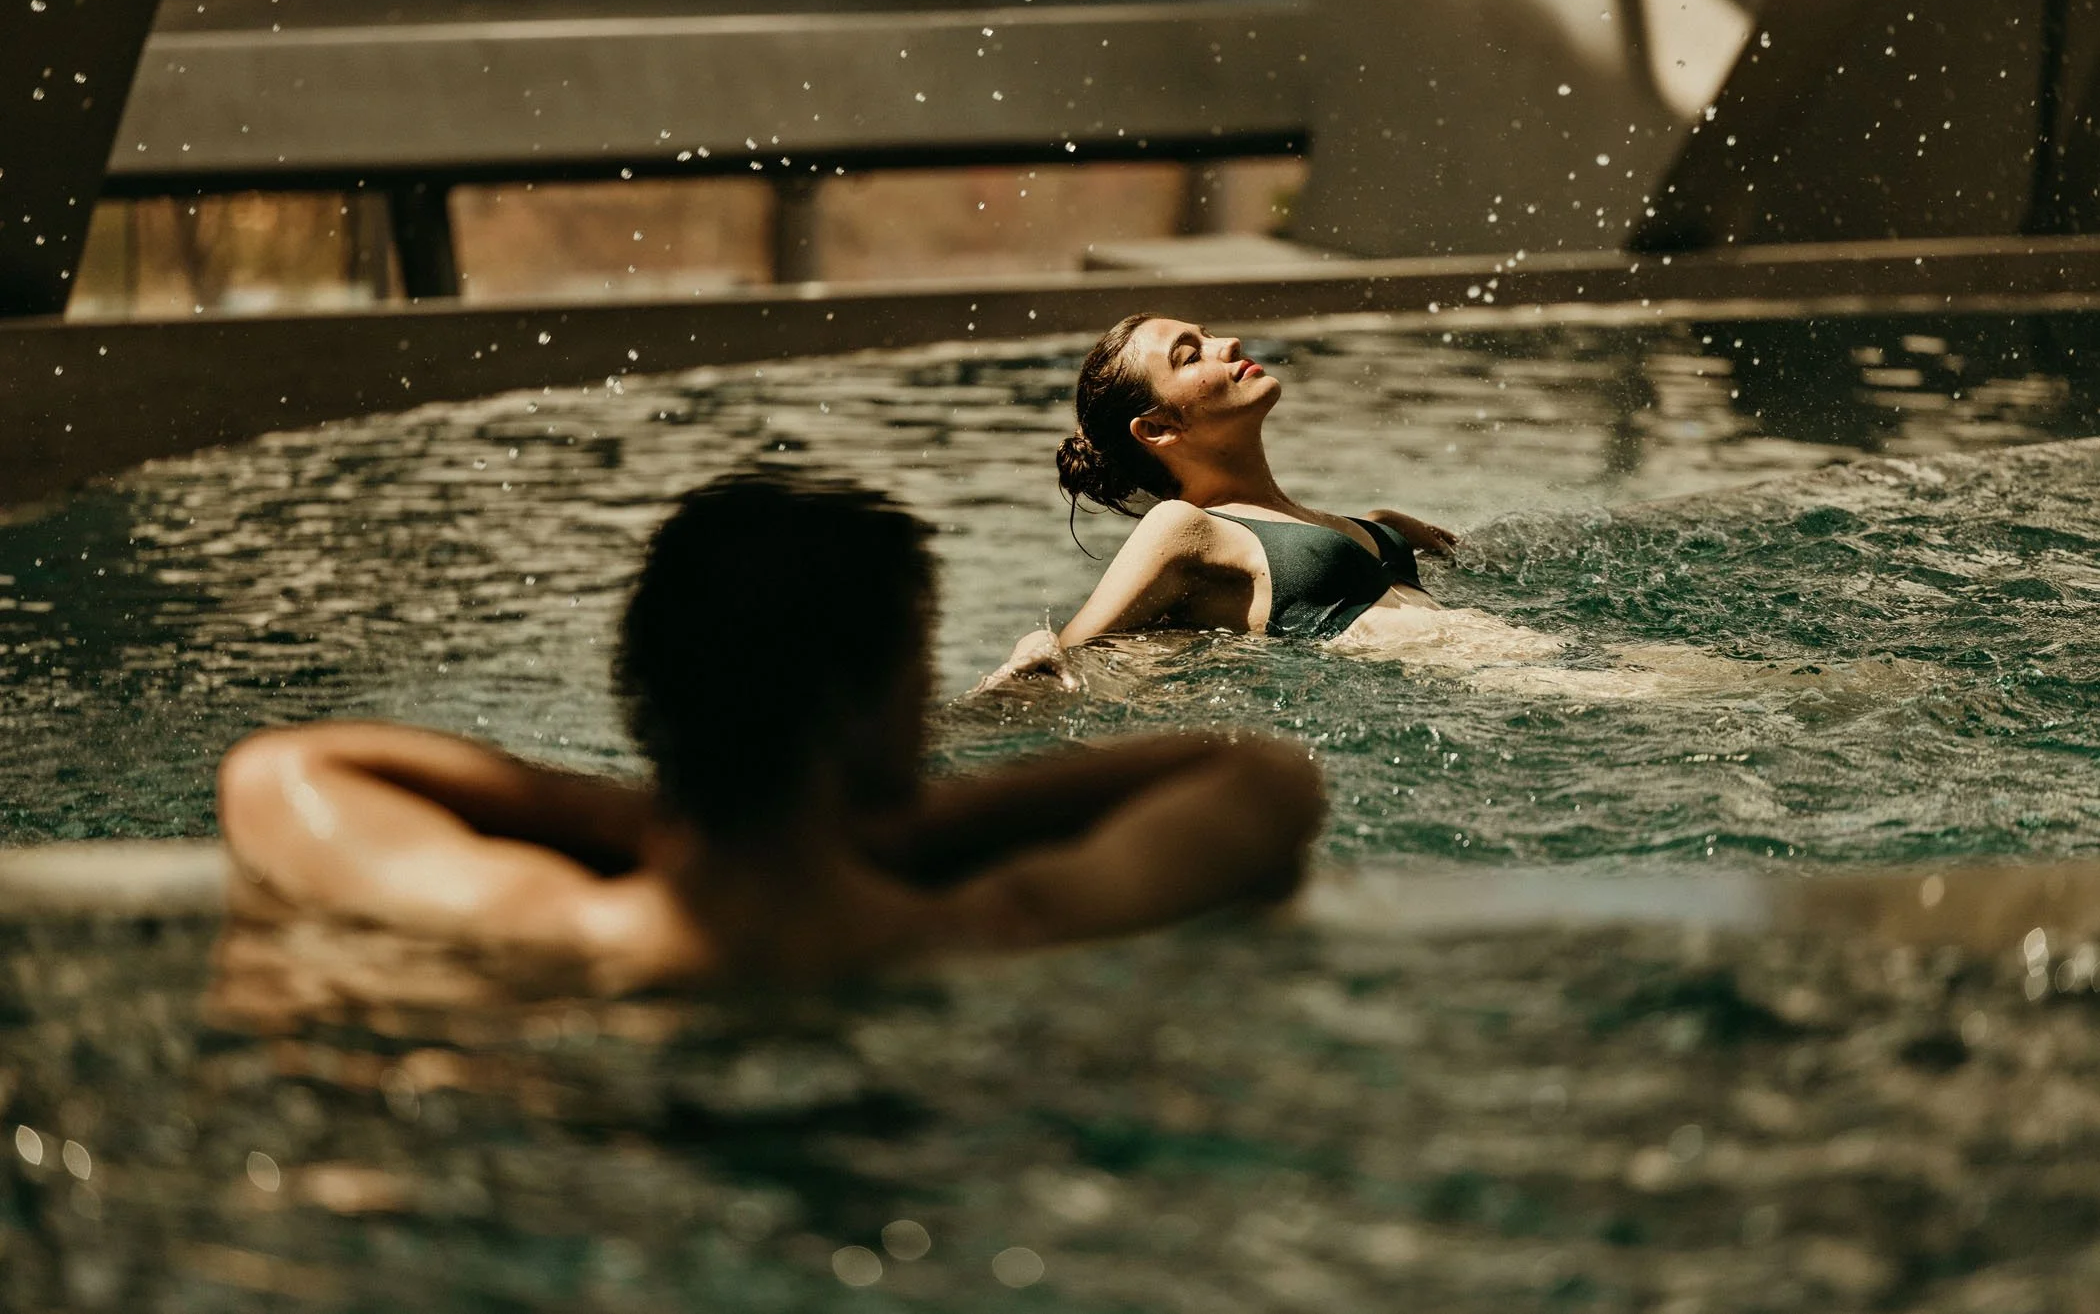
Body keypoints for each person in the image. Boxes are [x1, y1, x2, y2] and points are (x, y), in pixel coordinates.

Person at [215, 471, 1324, 995]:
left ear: (645, 687)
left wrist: (654, 817)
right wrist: (899, 826)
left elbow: (282, 769)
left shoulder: (543, 926)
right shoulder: (993, 928)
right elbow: (1260, 780)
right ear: (881, 705)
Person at [981, 314, 1565, 690]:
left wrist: (1388, 531)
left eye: (1208, 335)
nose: (1227, 344)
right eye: (1191, 356)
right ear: (1158, 428)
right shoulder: (1181, 526)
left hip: (1543, 665)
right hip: (1512, 688)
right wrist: (1034, 651)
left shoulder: (1365, 528)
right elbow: (1071, 653)